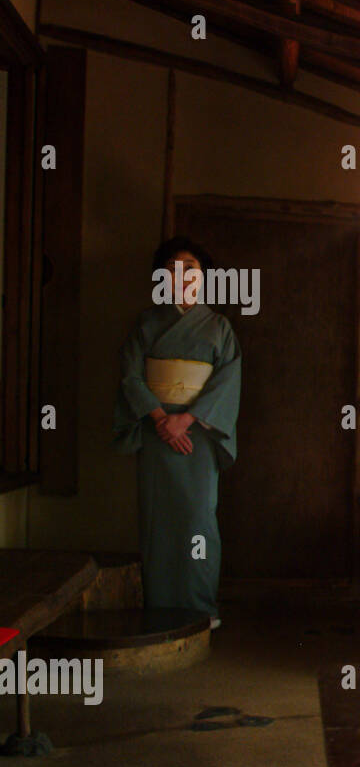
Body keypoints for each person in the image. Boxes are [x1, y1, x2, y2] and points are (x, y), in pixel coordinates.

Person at [112, 237, 241, 627]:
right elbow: (130, 377)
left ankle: (200, 608)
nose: (180, 275)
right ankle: (161, 608)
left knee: (198, 518)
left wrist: (185, 419)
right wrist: (158, 418)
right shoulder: (147, 323)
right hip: (156, 434)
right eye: (172, 268)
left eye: (190, 269)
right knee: (158, 521)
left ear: (204, 278)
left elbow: (227, 380)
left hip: (198, 433)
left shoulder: (219, 327)